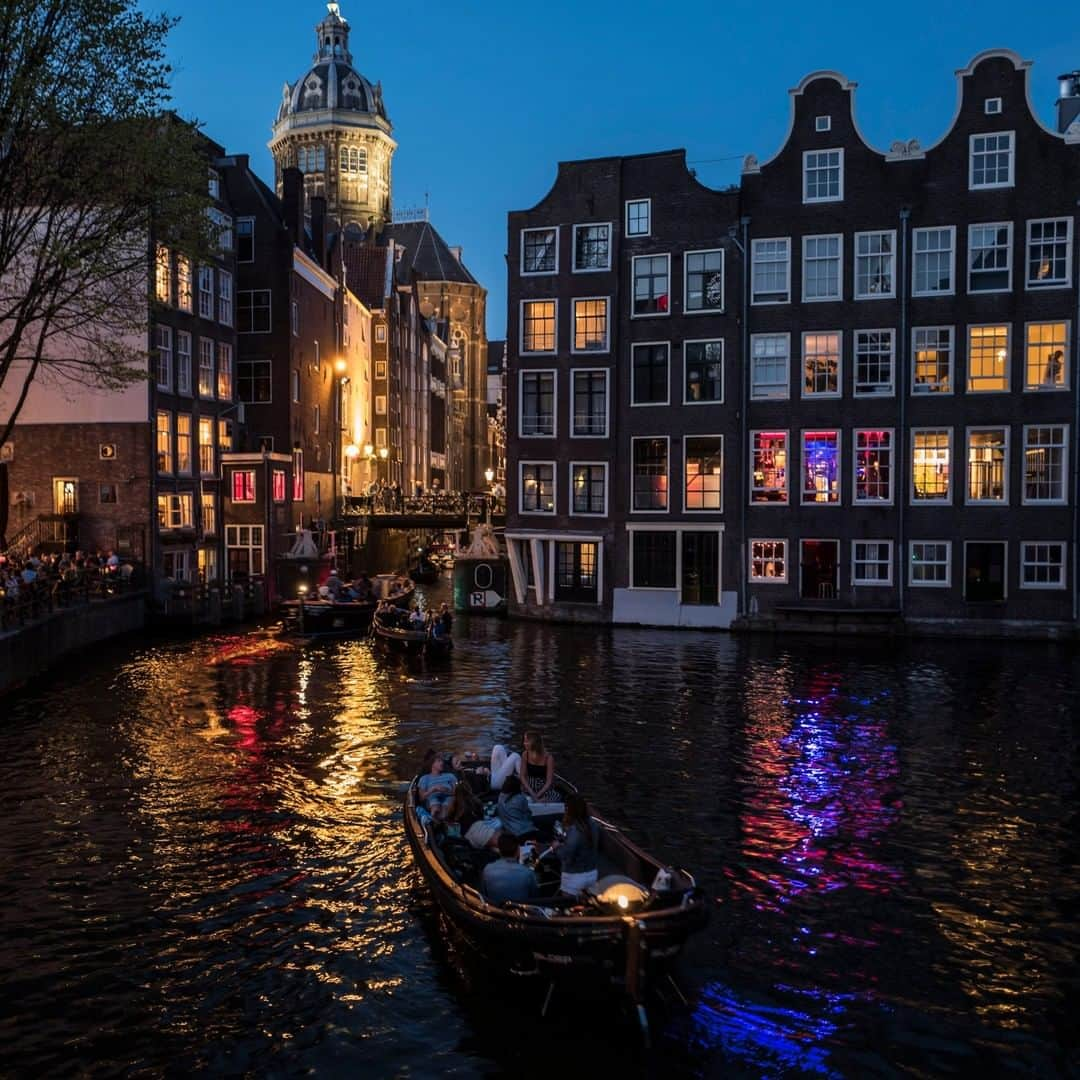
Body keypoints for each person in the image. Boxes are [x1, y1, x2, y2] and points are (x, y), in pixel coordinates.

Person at [553, 793, 600, 897]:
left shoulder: (574, 830)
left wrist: (556, 848)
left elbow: (566, 855)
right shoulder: (593, 824)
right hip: (592, 873)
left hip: (574, 877)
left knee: (569, 907)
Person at [481, 832, 539, 905]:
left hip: (495, 911)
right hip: (520, 913)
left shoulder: (487, 869)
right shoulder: (528, 873)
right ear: (518, 850)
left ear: (499, 850)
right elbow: (535, 898)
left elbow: (484, 894)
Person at [496, 775, 537, 840]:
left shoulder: (500, 797)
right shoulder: (520, 798)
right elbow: (528, 815)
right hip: (524, 831)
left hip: (511, 832)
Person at [520, 731, 557, 802]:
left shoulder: (549, 758)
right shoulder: (525, 754)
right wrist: (532, 793)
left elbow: (549, 782)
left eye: (526, 741)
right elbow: (522, 776)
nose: (524, 743)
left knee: (549, 800)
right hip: (529, 787)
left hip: (544, 789)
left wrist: (538, 795)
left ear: (533, 743)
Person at [417, 755, 456, 820]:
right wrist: (433, 789)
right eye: (439, 761)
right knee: (435, 807)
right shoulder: (424, 778)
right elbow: (421, 798)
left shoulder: (450, 776)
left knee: (444, 811)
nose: (442, 763)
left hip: (448, 796)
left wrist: (446, 790)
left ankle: (437, 822)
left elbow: (455, 792)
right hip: (432, 797)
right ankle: (434, 821)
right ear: (432, 764)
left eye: (442, 761)